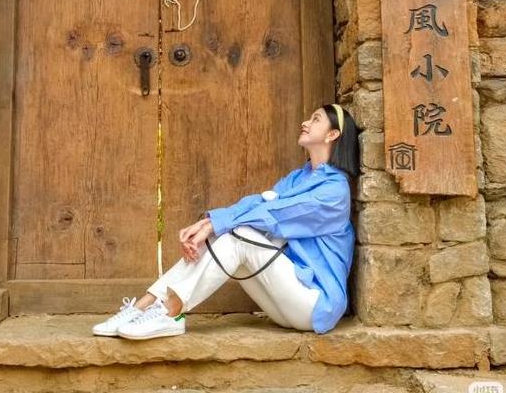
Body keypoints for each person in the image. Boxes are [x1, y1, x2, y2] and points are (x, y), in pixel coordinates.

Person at [92, 103, 361, 340]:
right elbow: (257, 203)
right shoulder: (298, 178)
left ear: (332, 134)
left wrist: (215, 224)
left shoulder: (334, 191)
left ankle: (170, 312)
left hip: (315, 305)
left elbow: (275, 214)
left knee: (238, 233)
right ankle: (142, 307)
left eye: (315, 119)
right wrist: (210, 223)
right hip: (284, 306)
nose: (305, 122)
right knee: (227, 231)